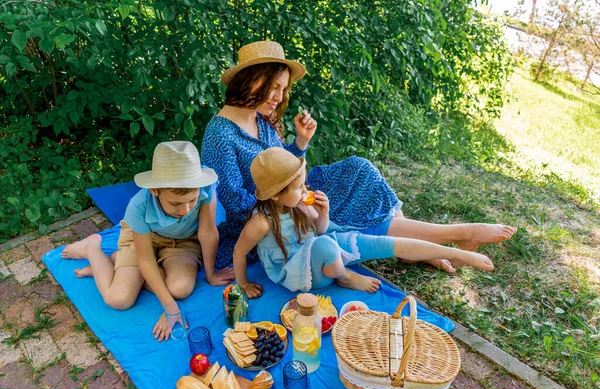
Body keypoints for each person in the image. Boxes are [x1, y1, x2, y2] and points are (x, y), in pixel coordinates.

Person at [201, 40, 516, 272]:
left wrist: (300, 142)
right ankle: (455, 235)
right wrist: (295, 198)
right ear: (250, 79)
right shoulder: (220, 133)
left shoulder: (260, 119)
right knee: (341, 210)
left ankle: (420, 247)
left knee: (359, 169)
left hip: (293, 189)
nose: (279, 97)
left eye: (283, 89)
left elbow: (284, 164)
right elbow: (236, 203)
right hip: (273, 210)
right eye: (273, 86)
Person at [233, 148, 496, 298]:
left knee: (379, 244)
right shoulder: (262, 222)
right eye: (299, 187)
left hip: (321, 254)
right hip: (302, 274)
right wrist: (243, 283)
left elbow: (321, 229)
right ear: (276, 195)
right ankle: (346, 277)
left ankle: (454, 251)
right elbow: (239, 251)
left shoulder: (299, 204)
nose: (305, 190)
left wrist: (324, 213)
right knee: (326, 245)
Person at [61, 141, 235, 341]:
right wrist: (169, 306)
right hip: (142, 242)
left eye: (192, 201)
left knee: (180, 289)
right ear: (155, 190)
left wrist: (211, 274)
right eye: (175, 203)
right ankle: (92, 248)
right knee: (119, 299)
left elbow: (207, 233)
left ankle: (119, 266)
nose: (185, 210)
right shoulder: (139, 206)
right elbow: (145, 259)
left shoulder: (205, 185)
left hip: (184, 240)